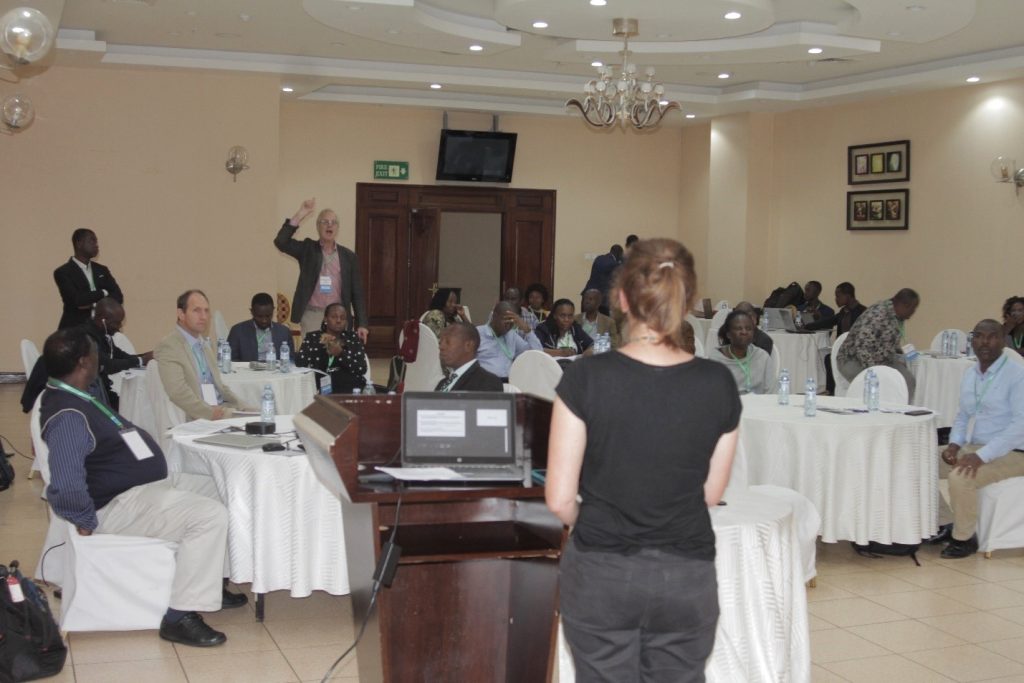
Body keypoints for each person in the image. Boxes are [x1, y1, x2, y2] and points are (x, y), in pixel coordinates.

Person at [545, 238, 739, 682]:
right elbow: (710, 494)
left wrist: (592, 517)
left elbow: (558, 499)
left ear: (622, 299)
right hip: (685, 574)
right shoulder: (717, 383)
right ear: (687, 301)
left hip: (601, 570)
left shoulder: (585, 378)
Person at [39, 327, 246, 648]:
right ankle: (179, 616)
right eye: (95, 353)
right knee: (208, 515)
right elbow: (65, 484)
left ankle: (211, 581)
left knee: (222, 489)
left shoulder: (79, 394)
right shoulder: (67, 413)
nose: (99, 358)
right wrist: (84, 519)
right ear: (83, 362)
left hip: (140, 486)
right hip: (116, 504)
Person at [937, 320, 1024, 559]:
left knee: (960, 476)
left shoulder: (1017, 375)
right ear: (972, 340)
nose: (985, 342)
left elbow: (1020, 425)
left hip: (1014, 451)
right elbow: (964, 414)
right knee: (921, 461)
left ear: (1003, 341)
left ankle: (964, 538)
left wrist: (980, 456)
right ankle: (945, 523)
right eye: (979, 336)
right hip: (975, 445)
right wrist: (954, 445)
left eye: (992, 336)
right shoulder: (971, 373)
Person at [22, 298, 152, 413]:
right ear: (103, 320)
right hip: (78, 393)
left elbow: (119, 355)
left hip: (91, 389)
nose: (118, 327)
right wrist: (140, 360)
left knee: (127, 408)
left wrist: (144, 358)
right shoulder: (86, 337)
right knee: (124, 411)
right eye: (116, 323)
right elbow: (107, 365)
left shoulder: (101, 333)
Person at [274, 198, 369, 341]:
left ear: (337, 228)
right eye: (324, 222)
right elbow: (281, 242)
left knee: (337, 358)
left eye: (333, 222)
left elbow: (357, 292)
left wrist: (362, 324)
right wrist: (301, 213)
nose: (329, 225)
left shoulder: (349, 257)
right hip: (313, 315)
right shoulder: (307, 249)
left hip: (339, 316)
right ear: (318, 226)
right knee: (313, 359)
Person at [155, 290, 246, 420]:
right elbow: (177, 392)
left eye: (206, 311)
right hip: (201, 416)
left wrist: (243, 407)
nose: (203, 317)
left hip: (219, 407)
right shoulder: (170, 346)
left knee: (265, 414)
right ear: (181, 314)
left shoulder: (204, 344)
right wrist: (210, 413)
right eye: (196, 310)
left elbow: (219, 385)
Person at [836, 288, 920, 401]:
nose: (913, 313)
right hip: (853, 360)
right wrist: (879, 372)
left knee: (907, 381)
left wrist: (900, 357)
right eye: (912, 309)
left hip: (882, 359)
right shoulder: (877, 315)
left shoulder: (897, 315)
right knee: (881, 385)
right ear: (904, 305)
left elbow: (889, 342)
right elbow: (862, 348)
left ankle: (901, 413)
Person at [54, 228, 124, 330]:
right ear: (79, 243)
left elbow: (118, 297)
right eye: (92, 240)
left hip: (102, 330)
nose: (96, 245)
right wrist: (104, 293)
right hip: (74, 330)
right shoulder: (63, 272)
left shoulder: (102, 270)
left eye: (96, 241)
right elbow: (77, 300)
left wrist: (92, 303)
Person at [804, 282, 867, 394]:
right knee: (828, 358)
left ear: (848, 296)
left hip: (857, 353)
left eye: (838, 296)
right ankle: (830, 391)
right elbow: (828, 321)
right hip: (842, 351)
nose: (836, 299)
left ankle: (834, 391)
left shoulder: (862, 312)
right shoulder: (843, 312)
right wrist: (806, 326)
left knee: (829, 359)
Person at [295, 303, 368, 395]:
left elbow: (361, 368)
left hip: (350, 388)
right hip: (320, 388)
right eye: (334, 317)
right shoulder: (313, 338)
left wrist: (341, 354)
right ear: (325, 319)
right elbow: (300, 363)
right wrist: (320, 348)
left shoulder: (352, 338)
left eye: (343, 318)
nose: (338, 320)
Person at [709, 310, 774, 394]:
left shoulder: (762, 357)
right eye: (738, 328)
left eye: (748, 328)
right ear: (728, 334)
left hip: (758, 405)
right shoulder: (715, 360)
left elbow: (771, 392)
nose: (744, 332)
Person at [476, 301, 542, 380]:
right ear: (494, 316)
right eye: (506, 320)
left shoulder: (512, 335)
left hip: (509, 381)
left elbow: (536, 355)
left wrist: (527, 330)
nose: (509, 324)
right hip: (485, 382)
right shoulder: (478, 334)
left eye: (512, 321)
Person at [226, 292, 294, 362]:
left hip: (274, 371)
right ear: (252, 312)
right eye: (259, 316)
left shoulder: (284, 332)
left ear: (273, 311)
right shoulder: (237, 331)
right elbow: (231, 360)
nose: (264, 321)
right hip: (248, 372)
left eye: (268, 316)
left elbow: (291, 361)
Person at [435, 322, 503, 392]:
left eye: (447, 342)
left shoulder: (487, 382)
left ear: (468, 346)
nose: (441, 347)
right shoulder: (442, 383)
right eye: (440, 342)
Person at [581, 245, 624, 314]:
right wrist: (621, 262)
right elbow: (607, 265)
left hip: (597, 299)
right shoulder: (605, 260)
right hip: (595, 299)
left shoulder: (601, 259)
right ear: (619, 254)